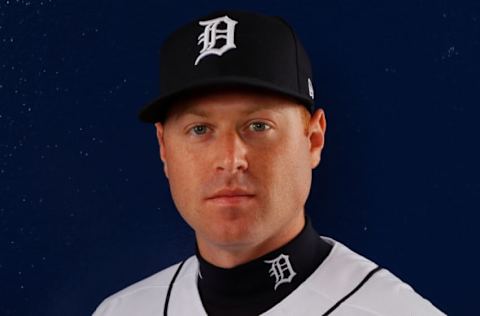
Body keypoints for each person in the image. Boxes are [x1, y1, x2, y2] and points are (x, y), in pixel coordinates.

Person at [93, 10, 445, 316]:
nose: (230, 160)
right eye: (199, 129)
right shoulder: (121, 311)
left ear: (313, 139)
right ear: (164, 148)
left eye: (259, 126)